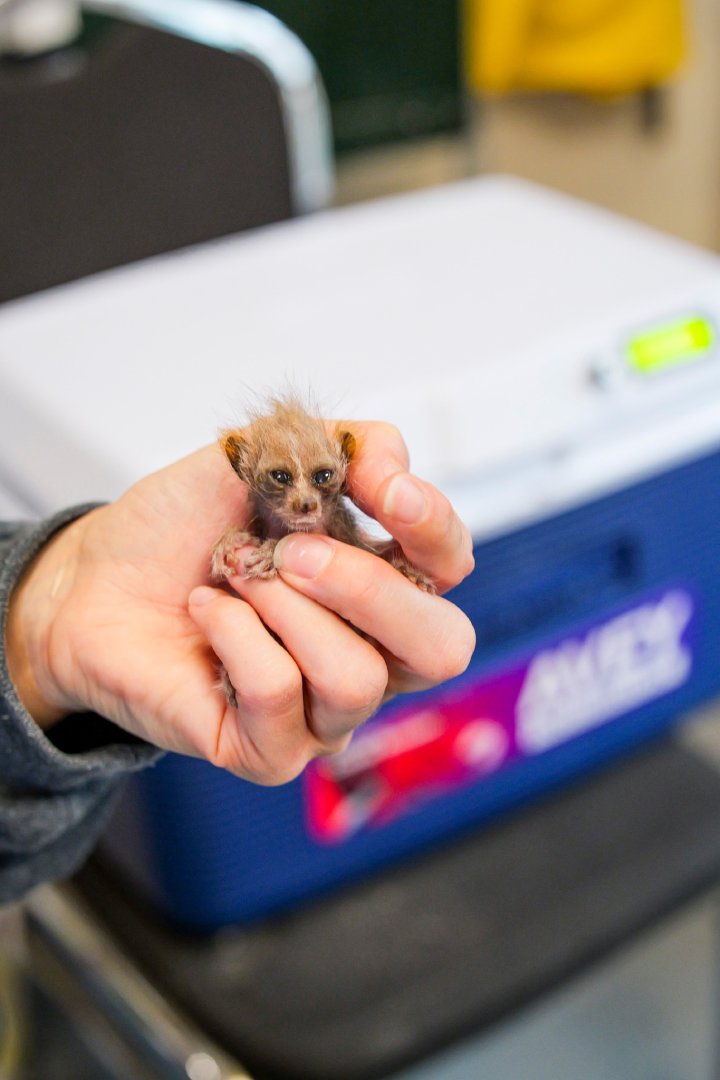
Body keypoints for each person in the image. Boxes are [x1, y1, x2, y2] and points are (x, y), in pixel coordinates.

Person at [0, 420, 476, 902]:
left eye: (324, 478)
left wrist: (399, 566)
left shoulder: (333, 518)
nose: (307, 500)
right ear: (239, 463)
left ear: (345, 461)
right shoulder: (245, 527)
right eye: (281, 479)